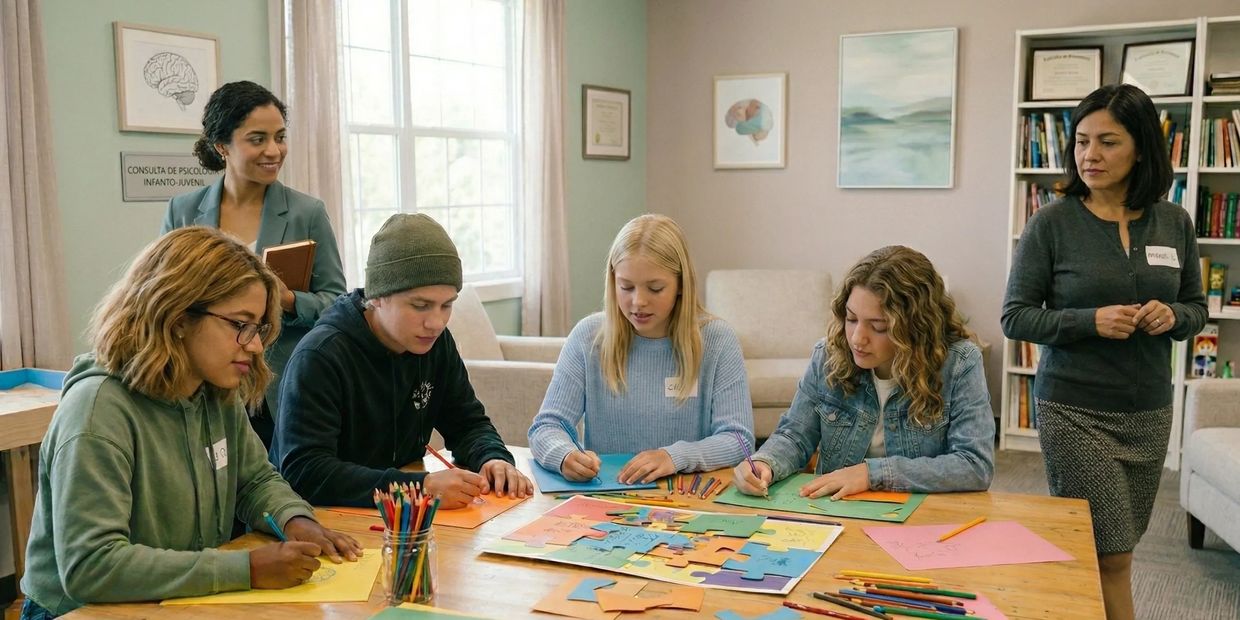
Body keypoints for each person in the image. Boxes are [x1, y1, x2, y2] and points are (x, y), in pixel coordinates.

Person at [19, 227, 360, 619]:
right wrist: (245, 569)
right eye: (240, 325)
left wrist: (295, 519)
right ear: (178, 316)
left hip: (172, 600)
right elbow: (91, 565)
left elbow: (255, 481)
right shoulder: (98, 411)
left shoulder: (213, 389)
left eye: (260, 328)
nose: (254, 345)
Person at [1002, 83, 1207, 620]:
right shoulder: (1051, 223)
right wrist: (1087, 321)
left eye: (1108, 142)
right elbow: (1015, 316)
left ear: (1141, 146)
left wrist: (1173, 316)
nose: (1089, 155)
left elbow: (1195, 307)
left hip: (1147, 412)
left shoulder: (1175, 222)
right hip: (1075, 409)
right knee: (1107, 553)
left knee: (1121, 549)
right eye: (1082, 141)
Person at [269, 213, 532, 508]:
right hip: (328, 520)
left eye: (447, 305)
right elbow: (305, 473)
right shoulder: (320, 357)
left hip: (404, 519)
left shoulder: (436, 343)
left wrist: (493, 457)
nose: (436, 322)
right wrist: (417, 489)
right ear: (378, 296)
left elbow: (468, 423)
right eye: (420, 306)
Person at [163, 80, 346, 448]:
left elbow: (337, 303)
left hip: (278, 386)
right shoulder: (183, 210)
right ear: (222, 147)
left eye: (280, 137)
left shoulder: (307, 213)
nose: (274, 150)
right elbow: (164, 297)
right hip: (203, 381)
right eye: (257, 138)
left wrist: (290, 300)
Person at [733, 245, 994, 500]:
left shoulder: (959, 363)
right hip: (837, 512)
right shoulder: (828, 355)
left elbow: (974, 465)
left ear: (915, 328)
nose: (857, 338)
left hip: (921, 520)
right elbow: (795, 436)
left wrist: (871, 474)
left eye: (878, 326)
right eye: (851, 319)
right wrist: (763, 463)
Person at [528, 214, 754, 484]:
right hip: (608, 499)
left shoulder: (718, 340)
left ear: (681, 285)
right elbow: (546, 427)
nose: (638, 302)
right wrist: (563, 455)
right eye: (626, 287)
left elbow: (739, 441)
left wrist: (674, 456)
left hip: (688, 499)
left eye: (655, 288)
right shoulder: (588, 337)